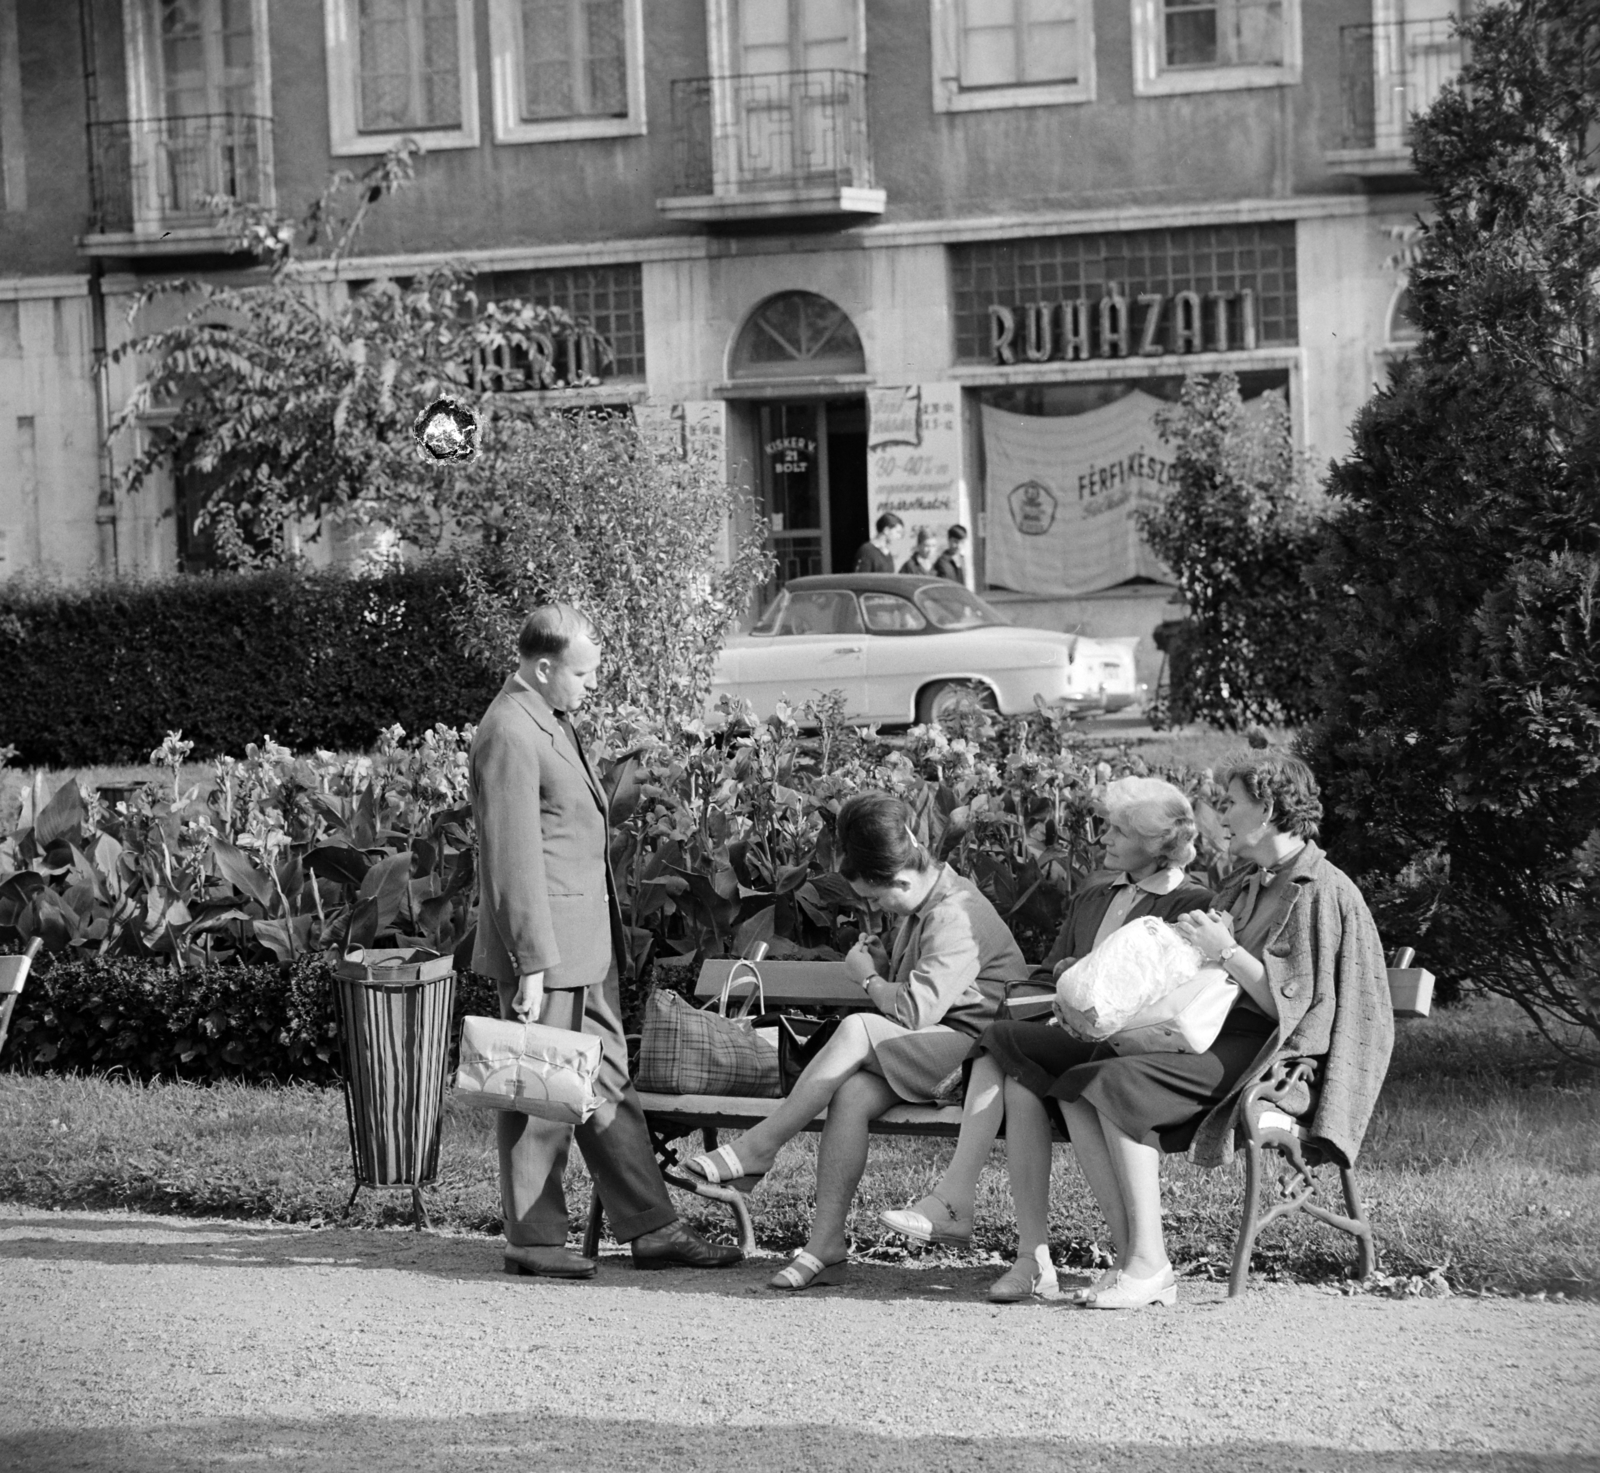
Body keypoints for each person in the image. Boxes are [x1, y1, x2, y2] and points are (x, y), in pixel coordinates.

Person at [960, 753, 1394, 1310]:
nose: (1222, 814)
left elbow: (1290, 1009)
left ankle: (1148, 1264)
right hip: (1206, 1032)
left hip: (1266, 1054)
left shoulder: (1317, 889)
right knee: (1078, 1082)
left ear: (1268, 809)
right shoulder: (1247, 881)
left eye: (1232, 803)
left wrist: (1227, 950)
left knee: (1112, 1084)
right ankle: (1134, 1259)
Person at [471, 603, 741, 1279]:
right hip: (548, 952)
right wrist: (530, 962)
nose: (591, 685)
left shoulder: (547, 717)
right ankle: (532, 1241)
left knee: (607, 1085)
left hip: (584, 946)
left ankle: (652, 1227)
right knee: (540, 1096)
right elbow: (511, 858)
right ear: (542, 666)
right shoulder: (509, 728)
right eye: (583, 673)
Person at [880, 778, 1211, 1301]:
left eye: (1117, 830)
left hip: (1125, 1046)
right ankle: (1032, 1259)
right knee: (1019, 1083)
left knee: (998, 1039)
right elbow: (1054, 970)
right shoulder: (1095, 894)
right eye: (1107, 826)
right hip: (1068, 1038)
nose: (1103, 838)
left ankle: (957, 1200)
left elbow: (1171, 991)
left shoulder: (1190, 903)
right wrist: (1066, 973)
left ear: (1156, 844)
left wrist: (1088, 979)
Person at [683, 791, 1028, 1290]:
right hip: (942, 1048)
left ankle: (760, 1146)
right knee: (850, 1094)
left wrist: (867, 979)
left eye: (874, 896)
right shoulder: (923, 902)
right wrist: (886, 966)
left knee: (857, 1027)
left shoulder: (953, 914)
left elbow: (912, 1011)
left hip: (980, 1057)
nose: (872, 907)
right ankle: (827, 1245)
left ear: (903, 878)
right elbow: (922, 994)